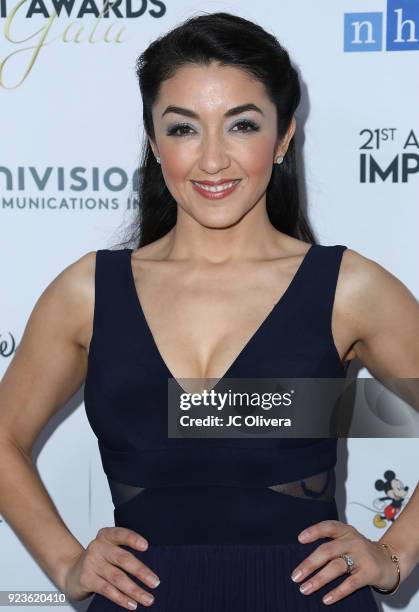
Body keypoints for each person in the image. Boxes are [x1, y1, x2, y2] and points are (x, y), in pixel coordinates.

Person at [0, 10, 418, 612]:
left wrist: (394, 555)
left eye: (242, 125)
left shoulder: (348, 288)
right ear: (152, 140)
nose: (213, 160)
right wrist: (65, 562)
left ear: (284, 138)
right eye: (184, 129)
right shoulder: (89, 293)